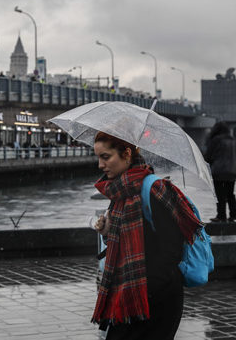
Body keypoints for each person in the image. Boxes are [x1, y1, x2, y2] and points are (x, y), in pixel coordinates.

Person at [91, 132, 202, 339]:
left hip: (156, 297)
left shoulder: (154, 190)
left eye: (105, 157)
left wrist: (148, 289)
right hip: (129, 293)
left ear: (126, 154)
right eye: (98, 157)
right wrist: (107, 232)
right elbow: (126, 243)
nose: (100, 165)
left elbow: (172, 248)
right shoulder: (120, 192)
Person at [204, 122, 236, 222]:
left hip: (219, 171)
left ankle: (221, 216)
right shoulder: (233, 140)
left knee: (220, 194)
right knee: (230, 194)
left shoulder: (216, 140)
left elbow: (208, 156)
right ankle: (233, 215)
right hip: (232, 171)